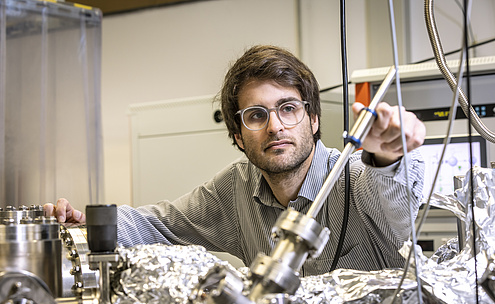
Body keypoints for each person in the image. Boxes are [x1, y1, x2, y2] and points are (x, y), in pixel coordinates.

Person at [44, 45, 425, 276]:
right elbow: (155, 225)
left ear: (314, 118)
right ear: (238, 136)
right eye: (256, 115)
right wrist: (83, 227)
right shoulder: (234, 190)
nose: (275, 126)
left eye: (288, 108)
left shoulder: (356, 177)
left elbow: (400, 207)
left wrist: (390, 153)